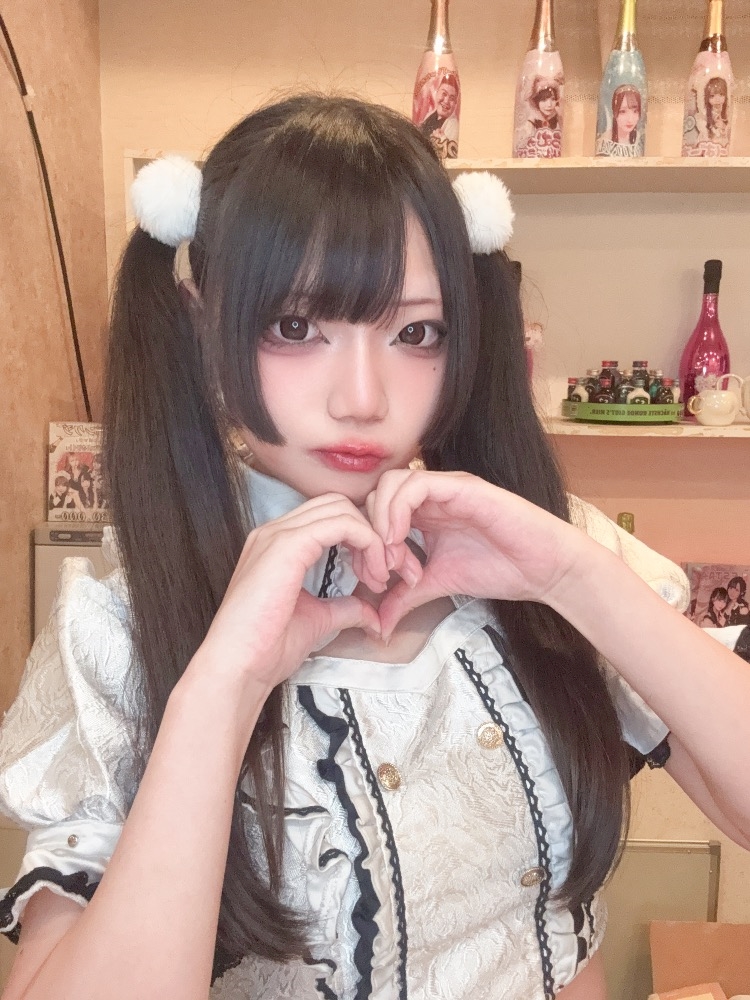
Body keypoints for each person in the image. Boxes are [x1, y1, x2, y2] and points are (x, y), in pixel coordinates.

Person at [1, 95, 749, 1000]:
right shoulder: (117, 627)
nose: (363, 398)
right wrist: (223, 684)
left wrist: (572, 575)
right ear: (201, 322)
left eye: (415, 333)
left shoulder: (539, 551)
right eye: (295, 327)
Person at [418, 71, 459, 159]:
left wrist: (442, 139)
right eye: (444, 94)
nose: (446, 101)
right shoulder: (429, 114)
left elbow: (450, 157)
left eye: (452, 98)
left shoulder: (453, 124)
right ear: (437, 93)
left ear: (455, 103)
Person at [704, 76, 729, 144]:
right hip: (709, 142)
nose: (717, 99)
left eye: (721, 94)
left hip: (722, 143)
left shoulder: (726, 111)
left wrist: (723, 126)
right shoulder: (706, 113)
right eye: (712, 96)